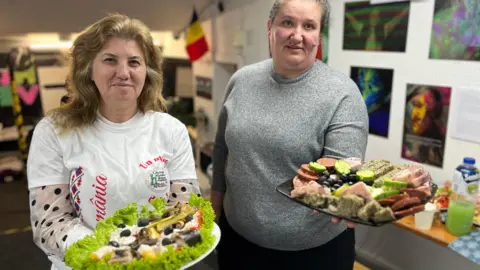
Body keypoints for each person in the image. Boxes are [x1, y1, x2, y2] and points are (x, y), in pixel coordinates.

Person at [26, 14, 200, 270]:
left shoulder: (170, 130)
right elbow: (50, 223)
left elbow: (185, 208)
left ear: (146, 72)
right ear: (88, 70)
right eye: (110, 60)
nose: (124, 72)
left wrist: (151, 251)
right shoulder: (53, 131)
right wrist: (114, 255)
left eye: (134, 62)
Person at [212, 0, 368, 269]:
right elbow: (221, 148)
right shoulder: (241, 80)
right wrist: (214, 212)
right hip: (237, 243)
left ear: (319, 36)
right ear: (270, 28)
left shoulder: (343, 94)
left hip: (313, 253)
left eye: (309, 26)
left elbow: (343, 170)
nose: (298, 35)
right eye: (287, 22)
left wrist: (344, 194)